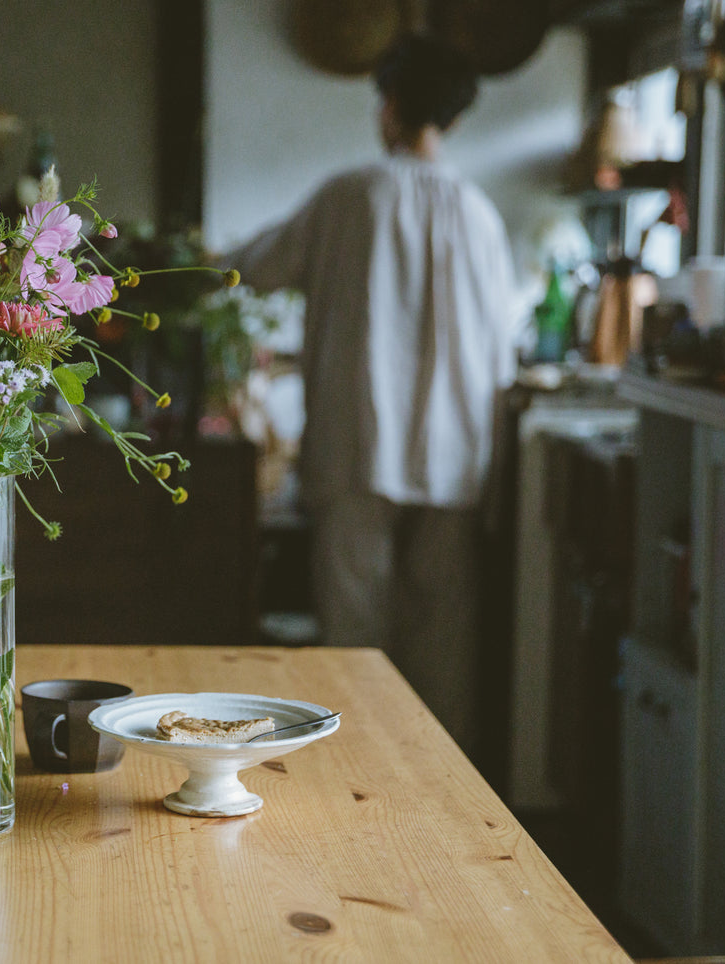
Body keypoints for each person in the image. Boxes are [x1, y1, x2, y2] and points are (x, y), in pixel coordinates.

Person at [229, 34, 519, 755]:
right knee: (442, 651)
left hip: (357, 443)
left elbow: (256, 268)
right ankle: (439, 801)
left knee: (354, 638)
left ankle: (350, 779)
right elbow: (498, 345)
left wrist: (197, 262)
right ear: (449, 120)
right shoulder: (480, 215)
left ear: (387, 109)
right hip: (455, 455)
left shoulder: (350, 195)